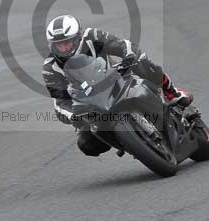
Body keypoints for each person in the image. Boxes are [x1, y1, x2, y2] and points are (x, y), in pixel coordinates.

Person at [42, 14, 192, 157]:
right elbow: (59, 103)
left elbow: (121, 45)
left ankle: (172, 92)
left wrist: (128, 55)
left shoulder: (92, 36)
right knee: (86, 144)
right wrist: (73, 116)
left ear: (76, 38)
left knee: (142, 61)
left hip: (115, 78)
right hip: (90, 104)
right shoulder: (50, 68)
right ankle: (129, 142)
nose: (63, 48)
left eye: (66, 42)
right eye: (58, 45)